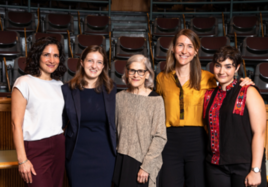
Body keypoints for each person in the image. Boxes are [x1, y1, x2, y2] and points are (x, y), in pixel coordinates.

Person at [156, 29, 254, 187]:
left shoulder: (208, 78)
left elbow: (229, 85)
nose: (184, 50)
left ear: (195, 51)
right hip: (169, 141)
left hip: (199, 140)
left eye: (189, 46)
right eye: (180, 45)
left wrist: (245, 82)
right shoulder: (161, 78)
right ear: (173, 48)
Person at [203, 46, 267, 187]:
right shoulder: (209, 95)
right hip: (215, 166)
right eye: (218, 66)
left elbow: (259, 132)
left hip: (244, 165)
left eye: (228, 66)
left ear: (237, 68)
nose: (222, 71)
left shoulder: (248, 91)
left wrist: (255, 170)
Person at [11, 37, 67, 187]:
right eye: (46, 54)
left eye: (55, 55)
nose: (52, 60)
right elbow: (16, 124)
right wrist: (22, 159)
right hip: (35, 148)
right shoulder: (24, 82)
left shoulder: (59, 85)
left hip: (58, 145)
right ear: (37, 57)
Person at [62, 45, 116, 187]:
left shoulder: (111, 89)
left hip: (105, 155)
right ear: (82, 62)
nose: (94, 66)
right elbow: (59, 124)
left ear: (104, 66)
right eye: (90, 61)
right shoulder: (67, 90)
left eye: (99, 62)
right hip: (76, 155)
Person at [113, 54, 167, 187]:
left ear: (147, 74)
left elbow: (160, 137)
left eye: (140, 71)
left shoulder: (156, 100)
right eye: (132, 70)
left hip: (143, 162)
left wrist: (146, 166)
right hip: (122, 160)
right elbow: (114, 130)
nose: (135, 75)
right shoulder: (119, 98)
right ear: (127, 72)